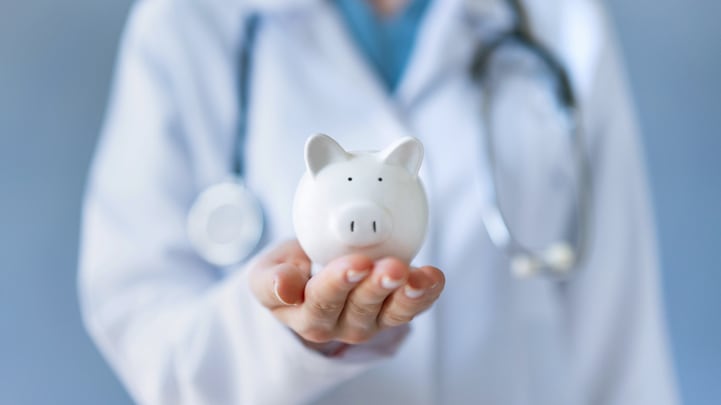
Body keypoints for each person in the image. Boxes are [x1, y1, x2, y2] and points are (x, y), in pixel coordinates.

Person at [79, 0, 679, 403]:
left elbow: (620, 321)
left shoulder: (556, 19)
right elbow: (138, 311)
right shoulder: (192, 20)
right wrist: (280, 333)